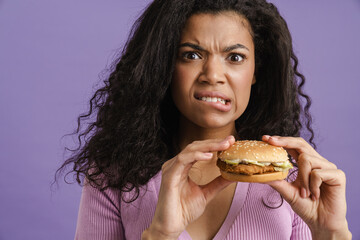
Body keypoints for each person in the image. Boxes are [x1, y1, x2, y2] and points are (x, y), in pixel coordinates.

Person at [57, 0, 352, 239]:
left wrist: (331, 233)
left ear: (256, 72)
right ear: (165, 67)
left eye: (234, 58)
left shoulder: (293, 177)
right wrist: (160, 234)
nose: (212, 75)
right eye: (191, 55)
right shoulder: (113, 174)